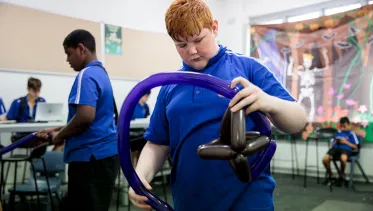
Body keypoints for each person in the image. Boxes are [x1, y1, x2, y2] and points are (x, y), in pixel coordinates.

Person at [128, 1, 307, 210]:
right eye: (182, 45)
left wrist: (268, 101)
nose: (192, 51)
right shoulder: (170, 87)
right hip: (190, 201)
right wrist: (139, 176)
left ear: (214, 27)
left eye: (198, 40)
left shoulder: (248, 68)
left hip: (248, 200)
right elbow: (157, 143)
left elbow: (298, 120)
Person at [36, 29, 119, 211]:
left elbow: (85, 117)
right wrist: (58, 129)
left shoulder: (86, 75)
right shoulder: (101, 73)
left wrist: (59, 137)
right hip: (103, 158)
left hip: (90, 159)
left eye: (69, 53)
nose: (67, 60)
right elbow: (94, 117)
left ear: (81, 49)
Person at [322, 117, 359, 186]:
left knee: (343, 158)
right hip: (335, 149)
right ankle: (331, 175)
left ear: (349, 125)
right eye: (341, 126)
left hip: (345, 149)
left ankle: (341, 175)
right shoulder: (337, 133)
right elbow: (331, 144)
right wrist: (335, 141)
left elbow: (356, 147)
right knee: (325, 159)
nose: (343, 128)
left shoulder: (351, 134)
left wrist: (346, 142)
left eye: (344, 126)